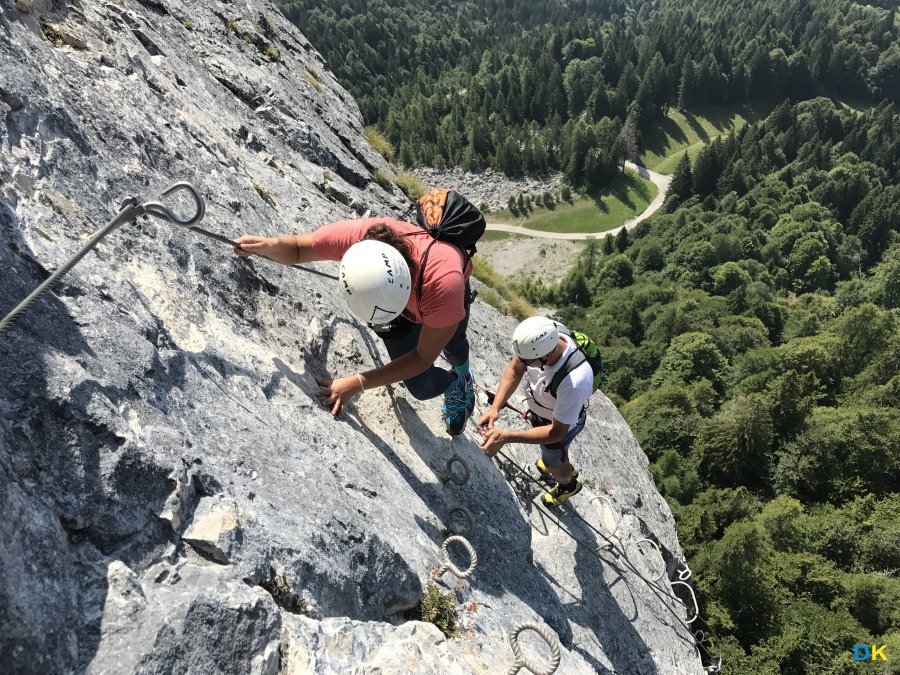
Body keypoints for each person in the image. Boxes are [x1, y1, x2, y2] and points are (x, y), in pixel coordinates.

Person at [233, 217, 476, 435]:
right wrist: (267, 247)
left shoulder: (445, 287)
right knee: (422, 388)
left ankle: (462, 378)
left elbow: (422, 357)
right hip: (403, 306)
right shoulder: (359, 240)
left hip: (440, 294)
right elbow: (297, 249)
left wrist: (358, 383)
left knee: (453, 346)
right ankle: (452, 380)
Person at [477, 316, 592, 507]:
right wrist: (495, 408)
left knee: (553, 458)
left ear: (546, 356)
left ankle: (568, 483)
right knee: (551, 455)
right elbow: (515, 369)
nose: (524, 364)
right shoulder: (542, 337)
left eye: (529, 362)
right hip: (542, 415)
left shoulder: (575, 380)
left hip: (558, 427)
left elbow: (556, 433)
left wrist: (506, 437)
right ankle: (559, 465)